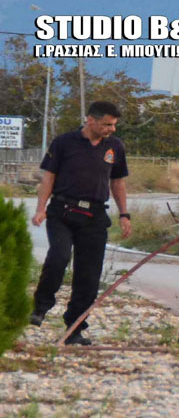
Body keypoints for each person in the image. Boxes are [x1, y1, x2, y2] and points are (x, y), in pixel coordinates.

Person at [29, 101, 131, 346]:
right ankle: (41, 307)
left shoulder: (115, 146)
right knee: (59, 257)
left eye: (114, 124)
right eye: (108, 124)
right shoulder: (64, 142)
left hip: (94, 216)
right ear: (90, 120)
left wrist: (124, 214)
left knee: (88, 276)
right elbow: (49, 178)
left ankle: (74, 328)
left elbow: (117, 183)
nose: (112, 129)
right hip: (62, 211)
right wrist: (40, 208)